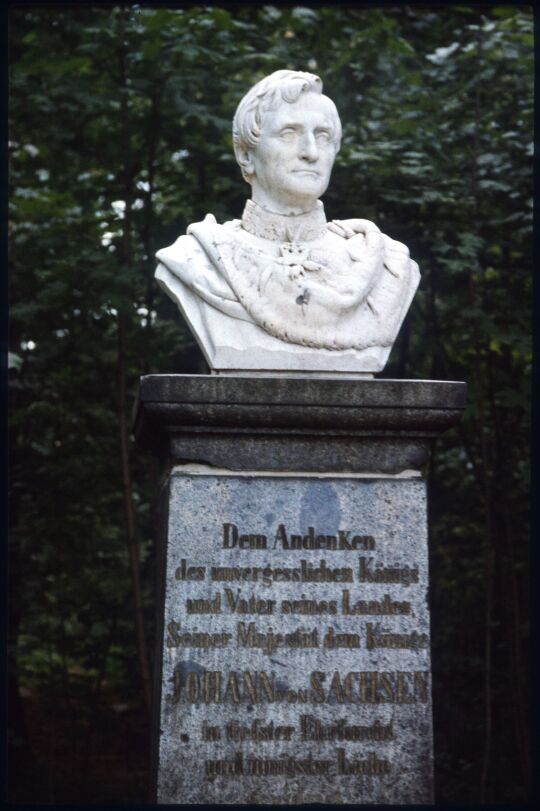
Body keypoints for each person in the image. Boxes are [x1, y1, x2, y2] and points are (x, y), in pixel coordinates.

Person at [155, 70, 420, 374]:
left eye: (322, 136)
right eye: (289, 134)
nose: (310, 152)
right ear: (246, 155)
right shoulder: (198, 259)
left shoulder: (384, 264)